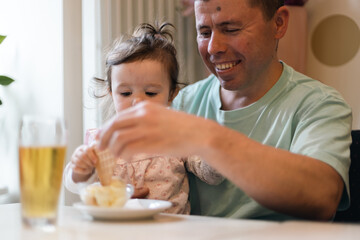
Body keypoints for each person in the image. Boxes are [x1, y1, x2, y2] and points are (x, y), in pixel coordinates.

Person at [96, 0, 353, 221]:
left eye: (230, 29)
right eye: (204, 32)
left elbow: (322, 196)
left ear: (278, 23)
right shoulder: (180, 103)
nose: (213, 48)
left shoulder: (318, 104)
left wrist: (207, 138)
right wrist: (127, 196)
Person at [63, 22, 224, 214]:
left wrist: (215, 153)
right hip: (116, 229)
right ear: (111, 93)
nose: (137, 101)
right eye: (125, 93)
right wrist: (79, 169)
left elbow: (213, 176)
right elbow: (74, 185)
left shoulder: (176, 137)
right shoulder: (103, 141)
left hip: (170, 229)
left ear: (172, 94)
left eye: (150, 93)